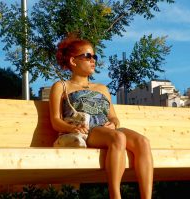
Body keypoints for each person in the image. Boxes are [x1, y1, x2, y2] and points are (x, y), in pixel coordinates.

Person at [49, 34, 153, 199]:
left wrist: (113, 123)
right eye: (87, 56)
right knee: (118, 138)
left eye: (94, 56)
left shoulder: (102, 88)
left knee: (143, 141)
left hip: (108, 130)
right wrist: (73, 127)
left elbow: (114, 117)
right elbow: (55, 120)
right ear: (73, 61)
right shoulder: (61, 86)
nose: (93, 60)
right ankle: (115, 195)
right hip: (88, 130)